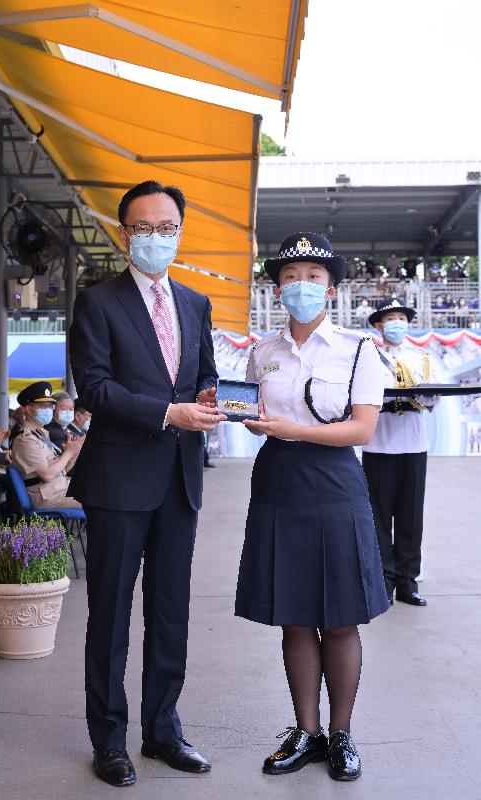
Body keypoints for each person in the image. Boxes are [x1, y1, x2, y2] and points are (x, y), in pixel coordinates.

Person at [68, 180, 224, 788]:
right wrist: (170, 413)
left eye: (168, 228)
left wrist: (208, 400)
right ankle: (108, 739)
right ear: (124, 231)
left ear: (180, 233)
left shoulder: (195, 302)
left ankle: (162, 730)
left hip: (178, 480)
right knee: (108, 615)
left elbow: (204, 371)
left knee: (169, 612)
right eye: (144, 227)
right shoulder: (98, 302)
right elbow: (97, 389)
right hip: (117, 480)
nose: (157, 237)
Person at [235, 232, 388, 783]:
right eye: (292, 277)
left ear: (331, 288)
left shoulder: (358, 350)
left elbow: (364, 427)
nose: (302, 286)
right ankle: (306, 730)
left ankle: (342, 734)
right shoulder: (264, 353)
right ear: (277, 287)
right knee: (295, 616)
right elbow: (247, 405)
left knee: (340, 619)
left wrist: (295, 429)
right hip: (278, 480)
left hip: (334, 484)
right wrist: (220, 405)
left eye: (314, 278)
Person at [362, 298, 437, 607]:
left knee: (410, 516)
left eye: (402, 318)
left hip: (413, 443)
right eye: (391, 318)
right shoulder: (368, 356)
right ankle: (384, 581)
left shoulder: (421, 358)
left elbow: (432, 400)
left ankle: (408, 581)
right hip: (379, 442)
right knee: (379, 517)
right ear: (379, 325)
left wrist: (423, 395)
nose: (397, 323)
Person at [11, 382, 84, 509]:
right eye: (43, 406)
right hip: (47, 496)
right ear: (28, 409)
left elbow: (60, 472)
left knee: (104, 489)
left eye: (51, 406)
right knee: (100, 497)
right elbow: (47, 475)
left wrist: (72, 455)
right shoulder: (25, 439)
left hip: (58, 488)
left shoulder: (40, 435)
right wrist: (68, 453)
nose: (49, 410)